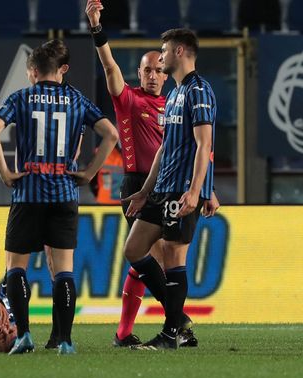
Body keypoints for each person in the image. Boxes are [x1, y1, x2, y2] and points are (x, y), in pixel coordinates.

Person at [85, 0, 217, 348]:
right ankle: (174, 324)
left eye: (160, 67)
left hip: (175, 185)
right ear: (140, 73)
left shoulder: (184, 94)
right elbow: (109, 65)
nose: (155, 73)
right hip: (142, 183)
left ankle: (164, 328)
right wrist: (98, 28)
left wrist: (204, 187)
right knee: (148, 253)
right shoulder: (131, 100)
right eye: (149, 69)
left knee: (164, 255)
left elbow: (201, 146)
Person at [0, 39, 119, 355]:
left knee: (16, 267)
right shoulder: (76, 99)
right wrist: (88, 173)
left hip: (28, 192)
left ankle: (25, 336)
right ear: (63, 70)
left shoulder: (22, 97)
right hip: (64, 192)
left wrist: (5, 172)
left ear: (31, 71)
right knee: (64, 270)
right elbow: (111, 134)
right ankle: (67, 341)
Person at [123, 28, 218, 350]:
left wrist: (197, 191)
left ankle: (170, 333)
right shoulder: (176, 93)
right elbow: (165, 149)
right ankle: (178, 321)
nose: (160, 56)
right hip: (162, 187)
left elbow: (204, 144)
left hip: (180, 191)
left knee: (174, 257)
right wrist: (145, 191)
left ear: (179, 51)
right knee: (133, 250)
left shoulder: (198, 91)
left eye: (163, 51)